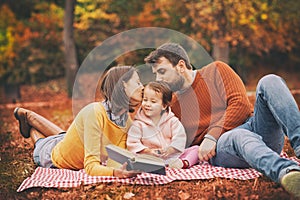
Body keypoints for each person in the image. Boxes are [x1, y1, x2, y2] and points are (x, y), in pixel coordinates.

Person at [144, 42, 300, 197]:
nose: (158, 79)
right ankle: (287, 172)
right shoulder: (173, 107)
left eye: (162, 72)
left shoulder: (216, 70)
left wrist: (211, 135)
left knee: (270, 81)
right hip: (222, 149)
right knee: (237, 136)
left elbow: (241, 105)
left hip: (256, 129)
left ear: (181, 65)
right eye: (156, 74)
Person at [14, 66, 144, 178]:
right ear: (122, 85)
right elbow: (91, 167)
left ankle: (30, 116)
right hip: (53, 157)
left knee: (62, 136)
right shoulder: (95, 113)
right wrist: (116, 173)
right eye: (137, 83)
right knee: (41, 143)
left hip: (71, 143)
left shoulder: (125, 120)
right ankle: (30, 121)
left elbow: (121, 154)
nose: (142, 87)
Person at [126, 81, 199, 169]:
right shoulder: (138, 124)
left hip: (171, 158)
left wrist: (171, 149)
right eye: (145, 100)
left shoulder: (172, 121)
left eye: (153, 101)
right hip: (149, 158)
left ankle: (183, 163)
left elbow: (179, 137)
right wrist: (147, 151)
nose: (147, 104)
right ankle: (150, 165)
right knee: (133, 157)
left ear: (164, 106)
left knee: (195, 149)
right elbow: (133, 142)